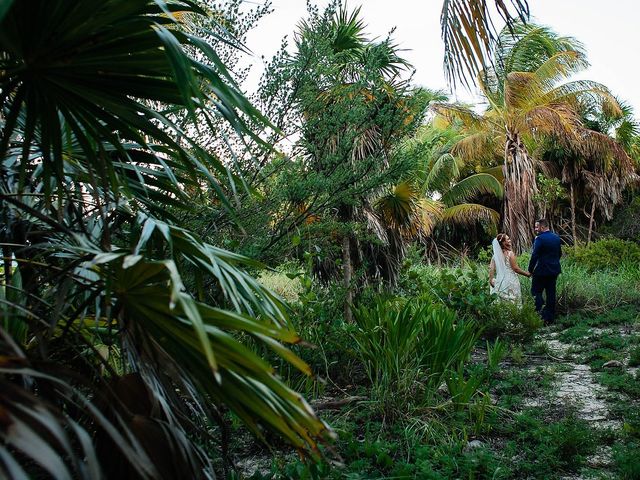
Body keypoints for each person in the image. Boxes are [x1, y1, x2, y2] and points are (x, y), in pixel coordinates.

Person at [528, 219, 562, 323]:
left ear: (542, 227)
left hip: (542, 271)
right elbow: (559, 253)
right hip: (554, 270)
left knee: (535, 292)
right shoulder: (556, 238)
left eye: (537, 227)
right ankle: (550, 318)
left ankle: (539, 314)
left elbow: (535, 255)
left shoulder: (540, 239)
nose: (535, 229)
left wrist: (530, 269)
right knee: (551, 294)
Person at [489, 233, 531, 303]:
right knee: (514, 300)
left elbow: (491, 268)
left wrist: (491, 280)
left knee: (503, 301)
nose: (510, 240)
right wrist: (527, 274)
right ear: (503, 242)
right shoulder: (510, 254)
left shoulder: (495, 256)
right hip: (511, 281)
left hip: (500, 280)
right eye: (508, 239)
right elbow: (515, 269)